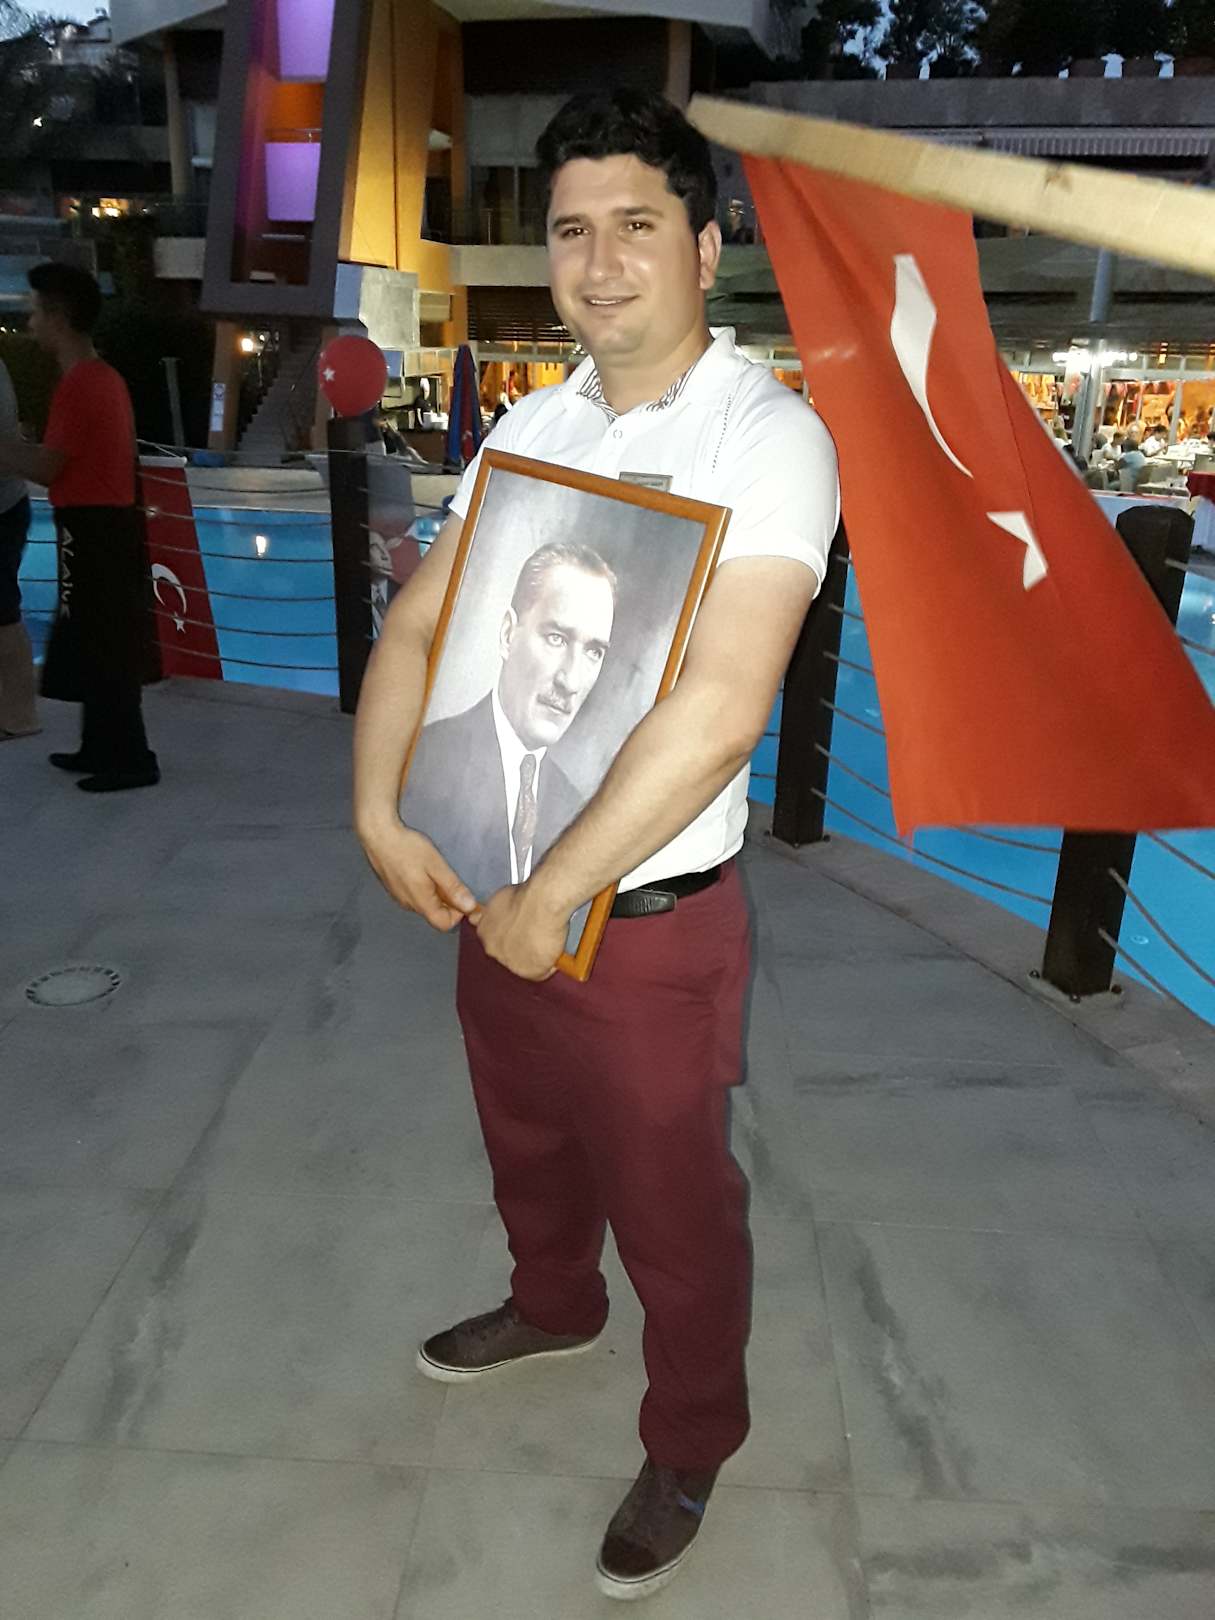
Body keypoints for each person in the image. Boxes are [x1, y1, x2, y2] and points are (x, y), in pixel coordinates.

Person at [354, 88, 838, 1603]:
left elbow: (724, 704)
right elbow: (423, 621)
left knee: (675, 1205)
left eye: (637, 223)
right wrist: (374, 808)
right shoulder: (532, 425)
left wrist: (560, 891)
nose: (601, 260)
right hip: (496, 875)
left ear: (704, 246)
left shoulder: (768, 437)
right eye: (572, 230)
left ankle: (691, 1437)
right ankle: (553, 1303)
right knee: (527, 1139)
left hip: (647, 922)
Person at [0, 263, 158, 791]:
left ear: (59, 316)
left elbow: (49, 466)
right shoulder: (97, 377)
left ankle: (130, 759)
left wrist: (4, 450)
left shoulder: (82, 383)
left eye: (35, 312)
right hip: (99, 524)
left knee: (105, 643)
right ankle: (100, 746)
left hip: (95, 528)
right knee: (96, 638)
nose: (30, 324)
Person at [402, 541, 614, 903]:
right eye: (556, 638)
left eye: (593, 651)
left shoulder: (576, 806)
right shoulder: (427, 760)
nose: (571, 681)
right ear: (507, 634)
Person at [0, 355, 39, 740]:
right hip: (8, 505)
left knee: (2, 614)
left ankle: (20, 716)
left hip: (3, 509)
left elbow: (5, 448)